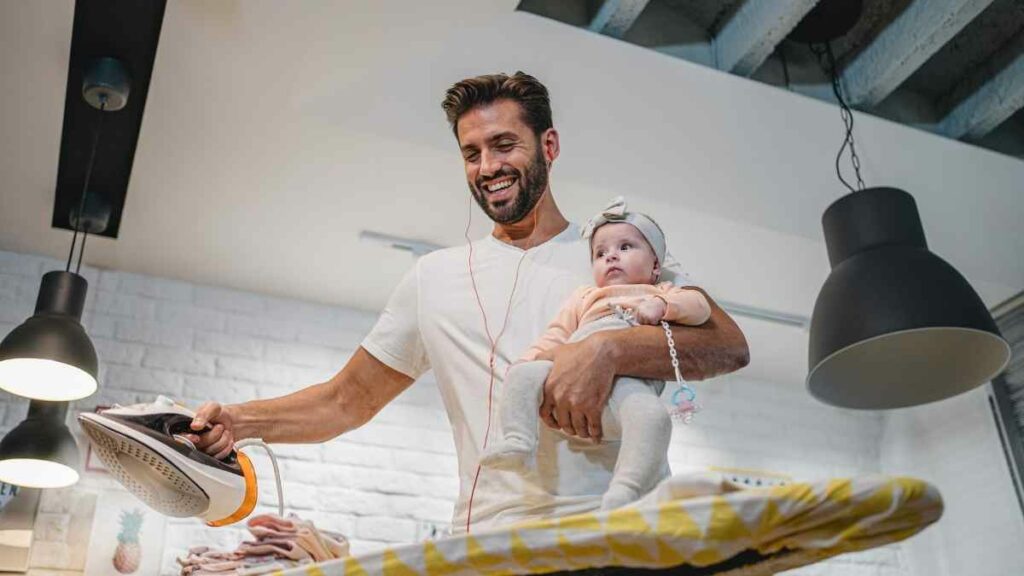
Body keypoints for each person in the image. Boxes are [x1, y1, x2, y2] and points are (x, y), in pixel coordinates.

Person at [187, 72, 749, 532]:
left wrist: (606, 349)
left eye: (504, 145)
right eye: (471, 153)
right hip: (490, 540)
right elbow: (346, 400)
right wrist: (238, 420)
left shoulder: (611, 254)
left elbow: (728, 345)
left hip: (623, 529)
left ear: (548, 146)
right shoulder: (432, 277)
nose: (487, 168)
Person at [479, 197, 711, 511]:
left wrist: (663, 307)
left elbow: (700, 309)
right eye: (600, 253)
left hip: (629, 386)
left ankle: (627, 488)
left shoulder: (661, 292)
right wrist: (536, 358)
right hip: (570, 369)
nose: (611, 256)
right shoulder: (586, 297)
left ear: (656, 266)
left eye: (626, 248)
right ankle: (518, 440)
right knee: (522, 373)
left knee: (653, 418)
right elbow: (557, 332)